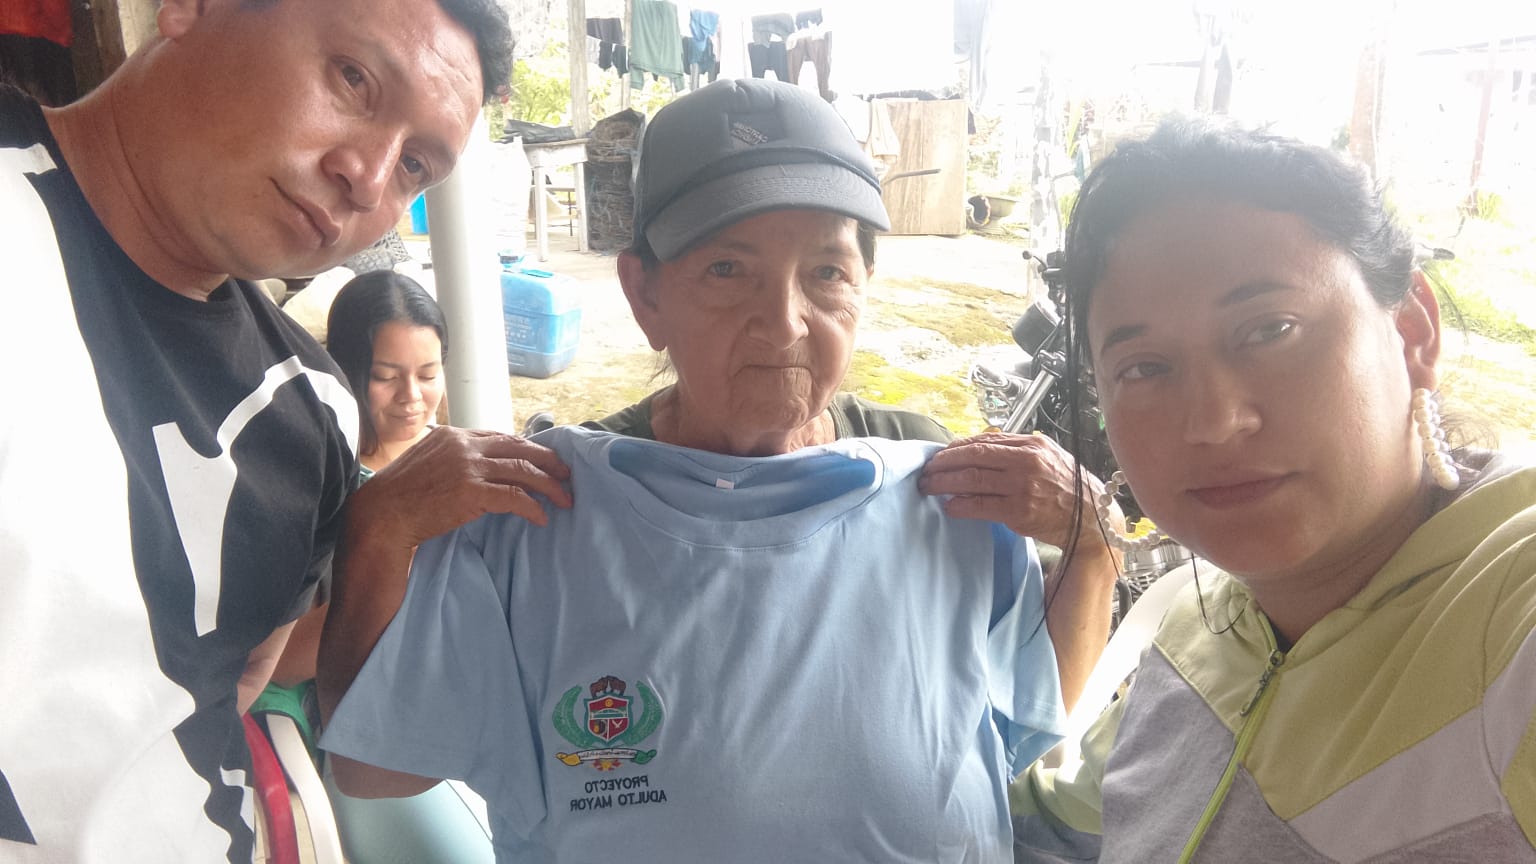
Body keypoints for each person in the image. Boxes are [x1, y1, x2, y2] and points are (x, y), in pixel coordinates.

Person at [318, 78, 1121, 863]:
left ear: (865, 285)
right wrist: (378, 526)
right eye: (728, 270)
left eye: (827, 273)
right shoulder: (543, 511)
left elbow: (1023, 709)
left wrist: (1095, 545)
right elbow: (376, 764)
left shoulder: (939, 489)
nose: (785, 322)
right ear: (645, 295)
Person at [0, 0, 520, 859]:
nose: (369, 178)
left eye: (415, 166)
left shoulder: (312, 409)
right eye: (354, 79)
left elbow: (228, 689)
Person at [1010, 118, 1536, 862]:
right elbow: (1048, 827)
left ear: (1412, 332)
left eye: (1270, 330)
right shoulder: (1199, 629)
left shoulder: (1510, 619)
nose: (1214, 421)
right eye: (1144, 368)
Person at [253, 270, 498, 863]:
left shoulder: (454, 460)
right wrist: (395, 570)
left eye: (428, 374)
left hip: (468, 697)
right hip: (358, 723)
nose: (412, 397)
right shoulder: (319, 483)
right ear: (346, 370)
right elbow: (279, 663)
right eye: (386, 377)